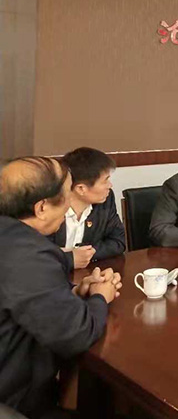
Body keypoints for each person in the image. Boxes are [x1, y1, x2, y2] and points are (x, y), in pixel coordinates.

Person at [0, 157, 121, 419]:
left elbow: (21, 297)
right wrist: (101, 297)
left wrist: (74, 291)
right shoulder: (29, 255)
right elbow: (78, 334)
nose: (69, 203)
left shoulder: (11, 237)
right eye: (66, 194)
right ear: (42, 207)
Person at [48, 147, 126, 271]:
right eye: (105, 181)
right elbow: (37, 254)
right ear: (81, 189)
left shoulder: (105, 200)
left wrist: (86, 254)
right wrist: (69, 258)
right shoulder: (49, 206)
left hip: (88, 273)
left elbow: (118, 242)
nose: (110, 185)